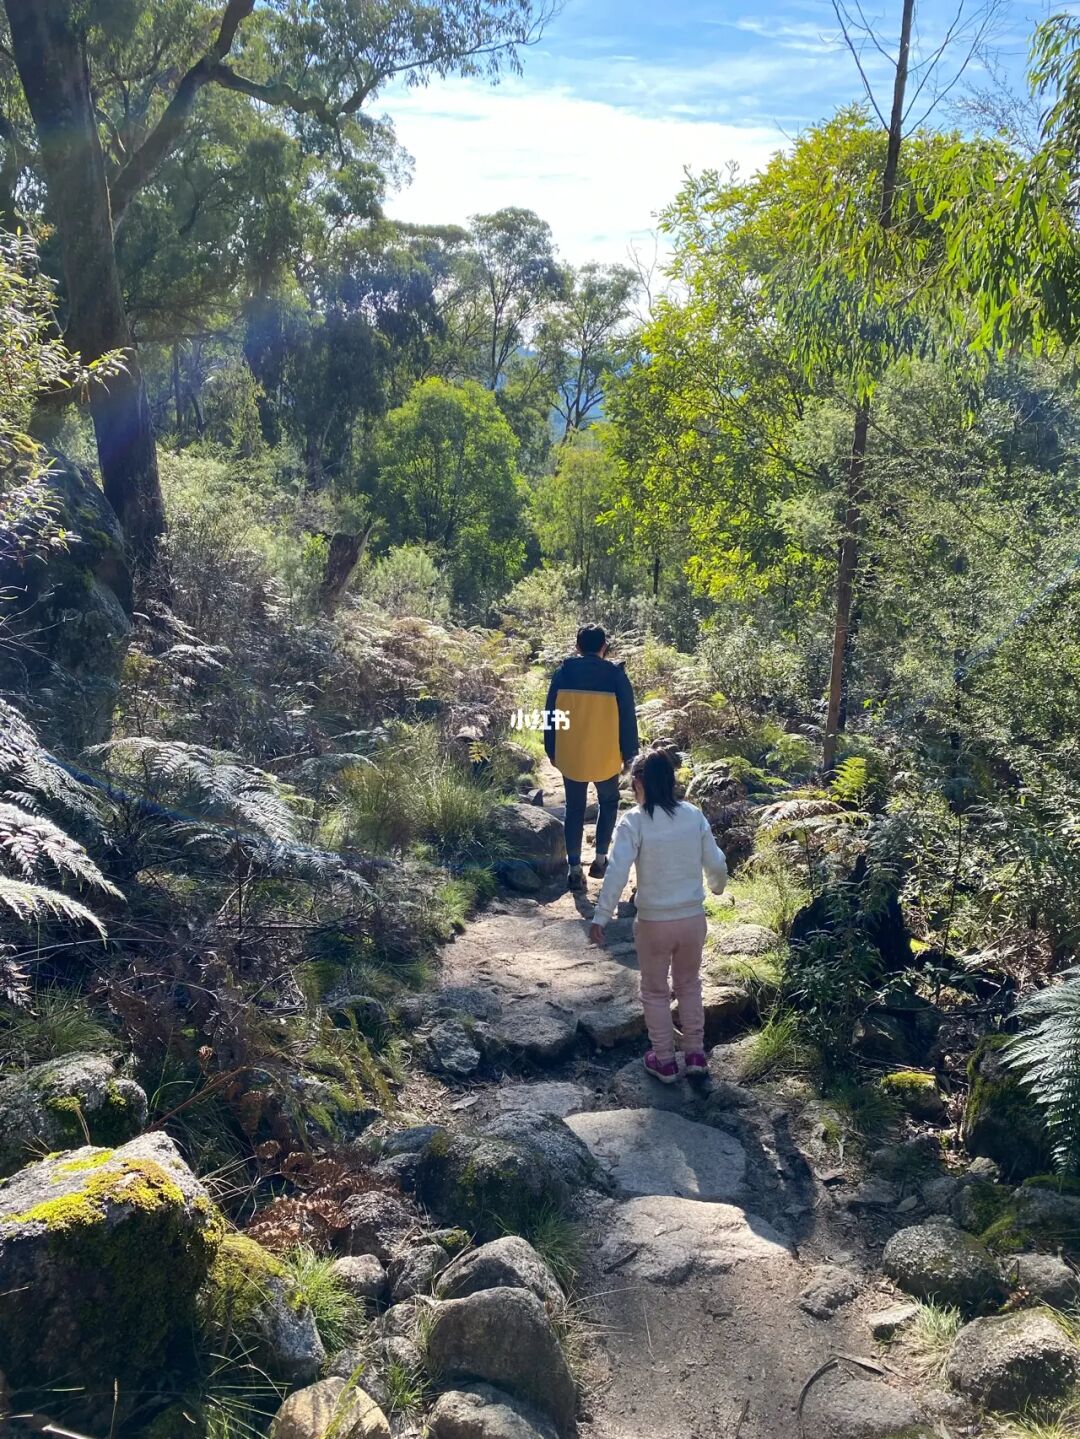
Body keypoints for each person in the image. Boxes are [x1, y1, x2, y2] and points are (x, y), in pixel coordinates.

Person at [589, 748, 728, 1082]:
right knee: (689, 983)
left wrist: (601, 915)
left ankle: (664, 1059)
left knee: (654, 990)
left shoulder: (634, 821)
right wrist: (718, 887)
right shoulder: (693, 815)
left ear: (639, 783)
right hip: (693, 920)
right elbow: (716, 862)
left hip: (653, 923)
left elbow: (617, 871)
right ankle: (695, 1053)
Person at [545, 623, 639, 892]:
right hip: (606, 756)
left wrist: (551, 750)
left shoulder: (562, 673)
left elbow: (550, 714)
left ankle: (574, 869)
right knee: (609, 802)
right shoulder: (616, 676)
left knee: (574, 809)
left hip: (571, 754)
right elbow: (628, 718)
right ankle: (600, 859)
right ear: (604, 648)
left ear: (577, 647)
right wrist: (630, 755)